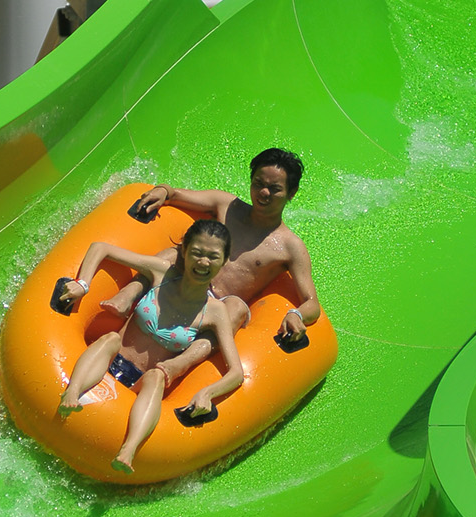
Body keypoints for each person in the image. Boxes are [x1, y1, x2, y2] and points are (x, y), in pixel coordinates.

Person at [56, 218, 243, 474]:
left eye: (213, 256)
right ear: (185, 251)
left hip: (140, 384)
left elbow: (236, 373)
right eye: (197, 253)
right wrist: (83, 284)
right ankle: (72, 392)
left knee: (157, 376)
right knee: (110, 338)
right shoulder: (161, 273)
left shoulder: (215, 312)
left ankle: (128, 450)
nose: (203, 262)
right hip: (110, 357)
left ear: (224, 261)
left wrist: (208, 393)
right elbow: (101, 247)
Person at [111, 149, 320, 365]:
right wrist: (163, 191)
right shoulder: (226, 205)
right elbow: (175, 195)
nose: (263, 193)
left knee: (237, 307)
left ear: (291, 193)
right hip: (186, 281)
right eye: (258, 183)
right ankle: (127, 295)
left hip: (215, 308)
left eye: (275, 189)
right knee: (174, 253)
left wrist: (296, 314)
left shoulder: (290, 247)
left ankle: (178, 366)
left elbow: (312, 303)